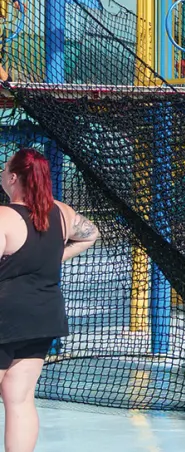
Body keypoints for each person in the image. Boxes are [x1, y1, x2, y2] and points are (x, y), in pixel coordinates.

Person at [0, 149, 99, 452]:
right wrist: (54, 257)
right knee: (19, 399)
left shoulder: (4, 216)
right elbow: (91, 234)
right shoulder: (60, 212)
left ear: (14, 177)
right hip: (43, 315)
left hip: (5, 316)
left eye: (4, 170)